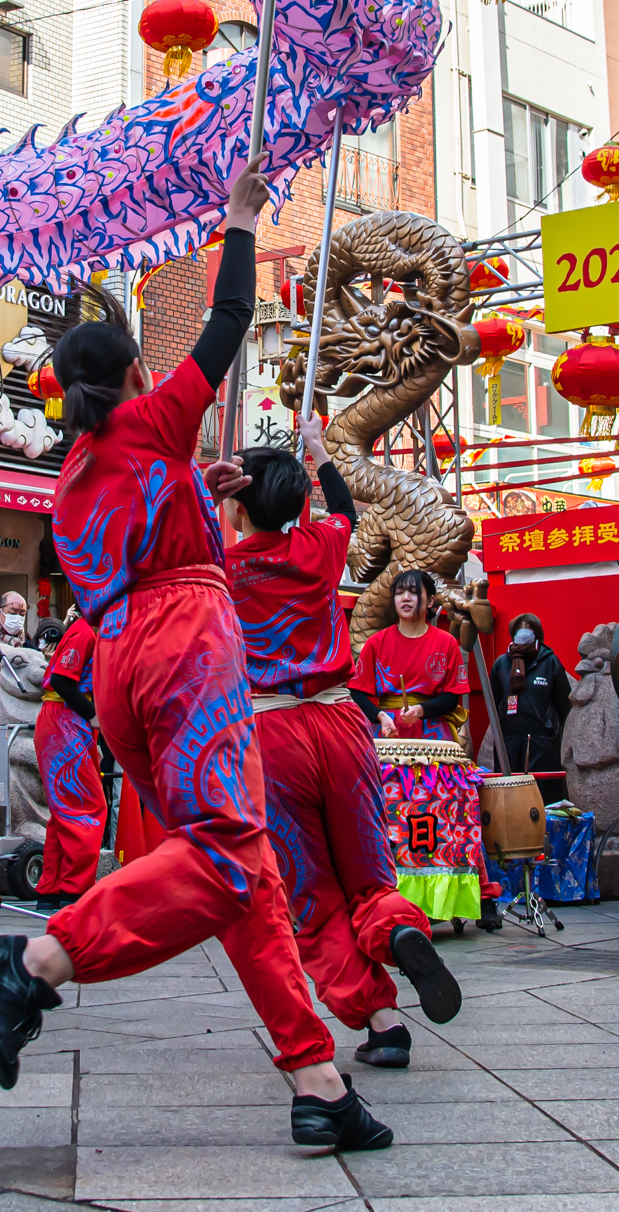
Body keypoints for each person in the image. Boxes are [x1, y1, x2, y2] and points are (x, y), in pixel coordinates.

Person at [0, 161, 385, 1155]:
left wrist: (194, 486)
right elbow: (232, 321)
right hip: (187, 653)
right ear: (129, 373)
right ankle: (38, 959)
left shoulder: (81, 466)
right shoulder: (147, 421)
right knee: (219, 850)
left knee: (238, 860)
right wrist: (239, 222)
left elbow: (136, 539)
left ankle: (316, 1080)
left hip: (122, 657)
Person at [217, 420, 460, 1071]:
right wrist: (322, 457)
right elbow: (347, 510)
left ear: (239, 506)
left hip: (272, 733)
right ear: (299, 502)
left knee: (313, 896)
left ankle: (378, 1017)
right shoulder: (320, 546)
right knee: (367, 868)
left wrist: (217, 498)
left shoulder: (226, 567)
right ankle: (398, 928)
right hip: (343, 721)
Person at [30, 608, 103, 907]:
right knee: (85, 807)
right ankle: (75, 891)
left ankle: (52, 889)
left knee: (65, 812)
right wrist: (93, 714)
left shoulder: (85, 629)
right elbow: (61, 681)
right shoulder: (85, 631)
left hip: (66, 722)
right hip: (66, 722)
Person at [355, 570, 469, 743]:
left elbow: (452, 698)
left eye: (413, 592)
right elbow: (356, 693)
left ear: (430, 601)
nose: (405, 598)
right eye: (399, 593)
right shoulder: (375, 643)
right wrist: (380, 716)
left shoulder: (447, 643)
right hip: (387, 730)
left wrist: (419, 710)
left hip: (431, 729)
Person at [487, 612, 572, 793]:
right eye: (520, 629)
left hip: (542, 743)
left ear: (537, 634)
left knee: (544, 796)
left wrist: (553, 731)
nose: (524, 633)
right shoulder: (501, 664)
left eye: (529, 629)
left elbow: (564, 703)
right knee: (509, 795)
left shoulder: (550, 662)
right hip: (508, 743)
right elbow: (493, 702)